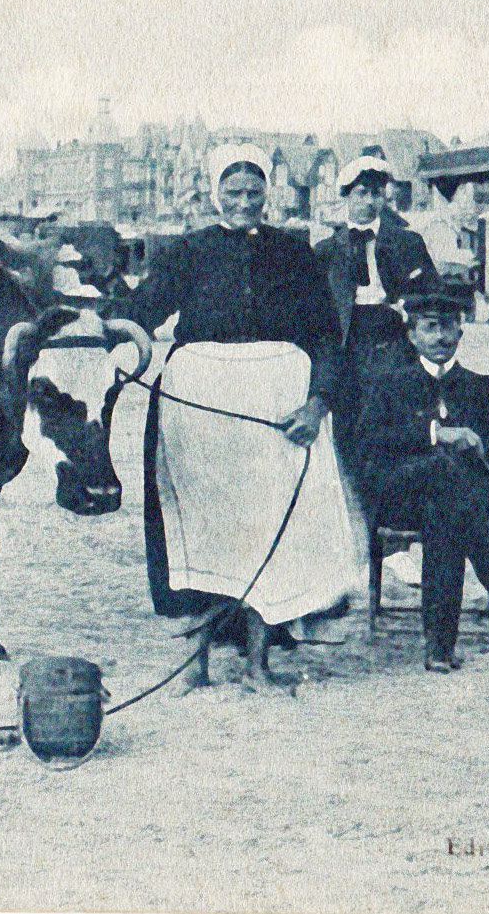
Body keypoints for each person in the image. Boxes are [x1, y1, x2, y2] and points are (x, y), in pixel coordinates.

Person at [126, 143, 356, 690]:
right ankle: (194, 666)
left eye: (255, 192)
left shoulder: (295, 253)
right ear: (215, 194)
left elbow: (326, 336)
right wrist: (108, 334)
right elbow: (138, 313)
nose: (245, 202)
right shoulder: (186, 251)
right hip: (200, 405)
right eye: (234, 192)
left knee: (267, 526)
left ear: (267, 194)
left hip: (277, 403)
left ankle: (257, 663)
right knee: (201, 530)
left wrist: (318, 402)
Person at [353, 291, 489, 672]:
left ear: (460, 333)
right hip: (401, 496)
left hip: (457, 504)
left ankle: (440, 650)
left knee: (446, 508)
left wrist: (477, 443)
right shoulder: (387, 385)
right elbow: (367, 444)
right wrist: (435, 435)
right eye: (430, 327)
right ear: (412, 335)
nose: (440, 337)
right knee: (444, 477)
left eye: (448, 328)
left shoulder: (485, 387)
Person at [314, 156, 440, 466]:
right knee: (349, 427)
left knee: (395, 423)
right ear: (345, 197)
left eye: (376, 193)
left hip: (393, 339)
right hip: (348, 343)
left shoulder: (407, 242)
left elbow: (432, 295)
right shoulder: (326, 251)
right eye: (361, 193)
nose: (370, 201)